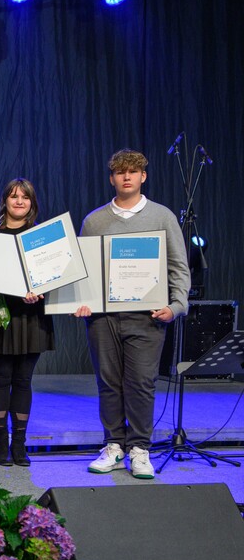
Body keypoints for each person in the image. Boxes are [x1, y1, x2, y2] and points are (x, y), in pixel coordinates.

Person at [78, 149, 190, 479]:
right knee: (108, 383)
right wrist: (81, 301)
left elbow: (178, 266)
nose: (126, 177)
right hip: (103, 319)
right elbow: (84, 271)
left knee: (141, 383)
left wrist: (176, 305)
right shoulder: (94, 221)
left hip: (147, 317)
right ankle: (114, 446)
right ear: (112, 178)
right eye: (120, 172)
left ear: (143, 176)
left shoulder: (162, 217)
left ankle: (140, 449)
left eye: (133, 171)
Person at [0, 179, 54, 467]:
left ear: (32, 203)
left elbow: (55, 276)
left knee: (23, 381)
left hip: (32, 318)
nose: (19, 201)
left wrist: (42, 289)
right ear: (5, 201)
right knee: (1, 378)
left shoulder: (41, 238)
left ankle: (19, 443)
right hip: (1, 319)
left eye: (25, 197)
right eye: (14, 196)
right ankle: (0, 442)